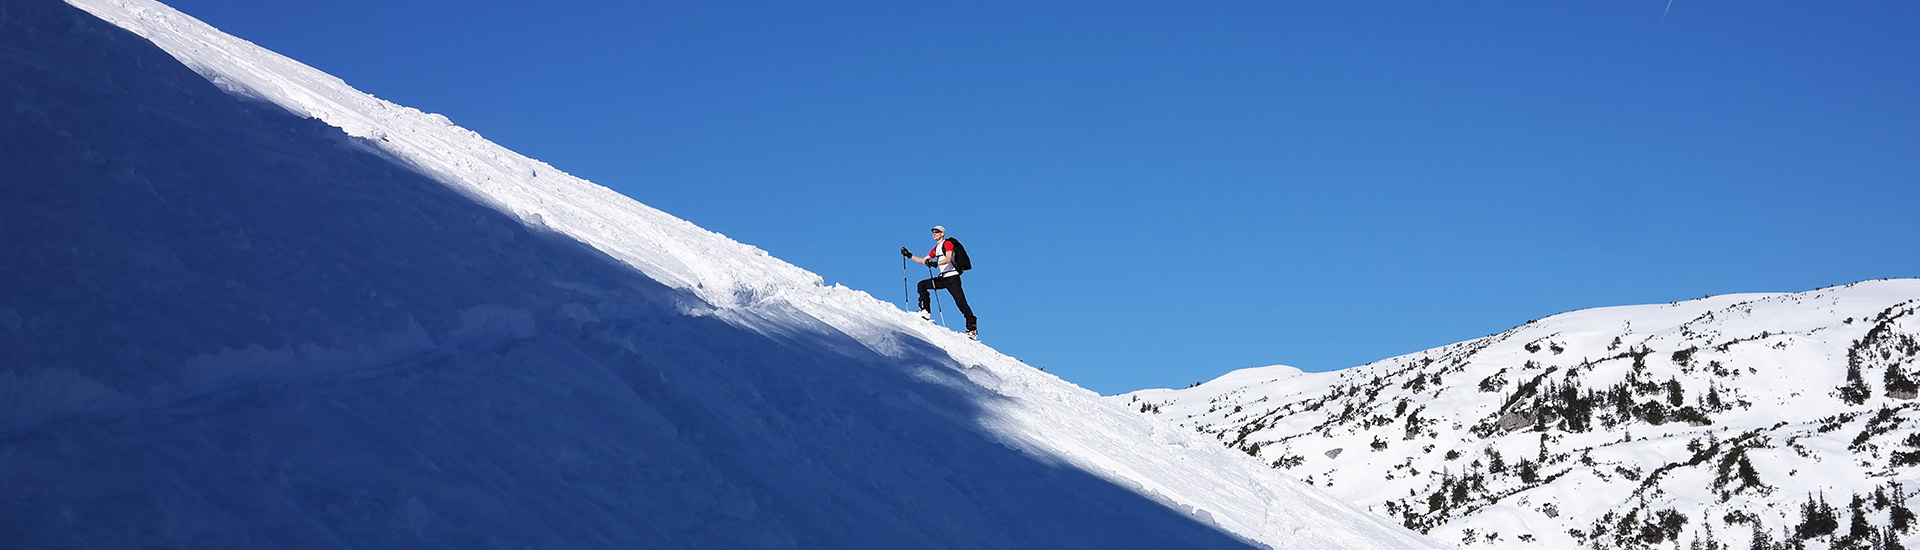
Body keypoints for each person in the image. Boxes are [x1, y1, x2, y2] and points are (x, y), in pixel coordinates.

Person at [901, 225, 977, 337]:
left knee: (961, 302)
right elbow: (923, 261)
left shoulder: (947, 244)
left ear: (942, 234)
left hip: (952, 278)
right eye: (933, 232)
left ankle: (972, 329)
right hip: (943, 278)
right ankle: (925, 311)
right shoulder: (936, 249)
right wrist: (909, 255)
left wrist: (935, 263)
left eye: (937, 232)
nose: (934, 234)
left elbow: (948, 258)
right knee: (922, 285)